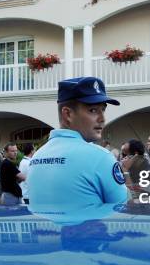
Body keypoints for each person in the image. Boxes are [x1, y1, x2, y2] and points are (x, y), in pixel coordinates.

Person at [27, 77, 128, 206]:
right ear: (67, 114)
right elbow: (121, 208)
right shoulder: (100, 157)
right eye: (93, 110)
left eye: (103, 109)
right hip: (89, 226)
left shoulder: (37, 156)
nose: (102, 118)